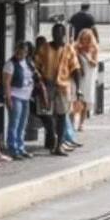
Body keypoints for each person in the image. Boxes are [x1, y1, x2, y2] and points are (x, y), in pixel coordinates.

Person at [34, 24, 79, 156]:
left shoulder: (69, 49)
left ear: (64, 34)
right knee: (46, 115)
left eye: (59, 34)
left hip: (63, 87)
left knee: (61, 116)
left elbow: (75, 68)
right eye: (54, 34)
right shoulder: (45, 48)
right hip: (47, 87)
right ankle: (51, 140)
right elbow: (36, 65)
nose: (57, 37)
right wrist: (41, 78)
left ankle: (59, 144)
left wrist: (78, 88)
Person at [3, 42, 35, 160]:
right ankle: (13, 148)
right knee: (14, 123)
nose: (21, 54)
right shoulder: (10, 64)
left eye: (24, 52)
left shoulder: (28, 63)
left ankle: (21, 147)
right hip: (15, 96)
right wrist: (8, 98)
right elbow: (6, 83)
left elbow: (32, 76)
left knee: (23, 123)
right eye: (19, 51)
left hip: (26, 96)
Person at [73, 29, 99, 133]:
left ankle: (82, 123)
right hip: (80, 77)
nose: (84, 42)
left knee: (86, 100)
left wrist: (87, 56)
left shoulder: (94, 49)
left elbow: (94, 63)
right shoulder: (76, 48)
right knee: (78, 99)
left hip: (89, 76)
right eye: (82, 39)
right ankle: (74, 120)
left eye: (86, 39)